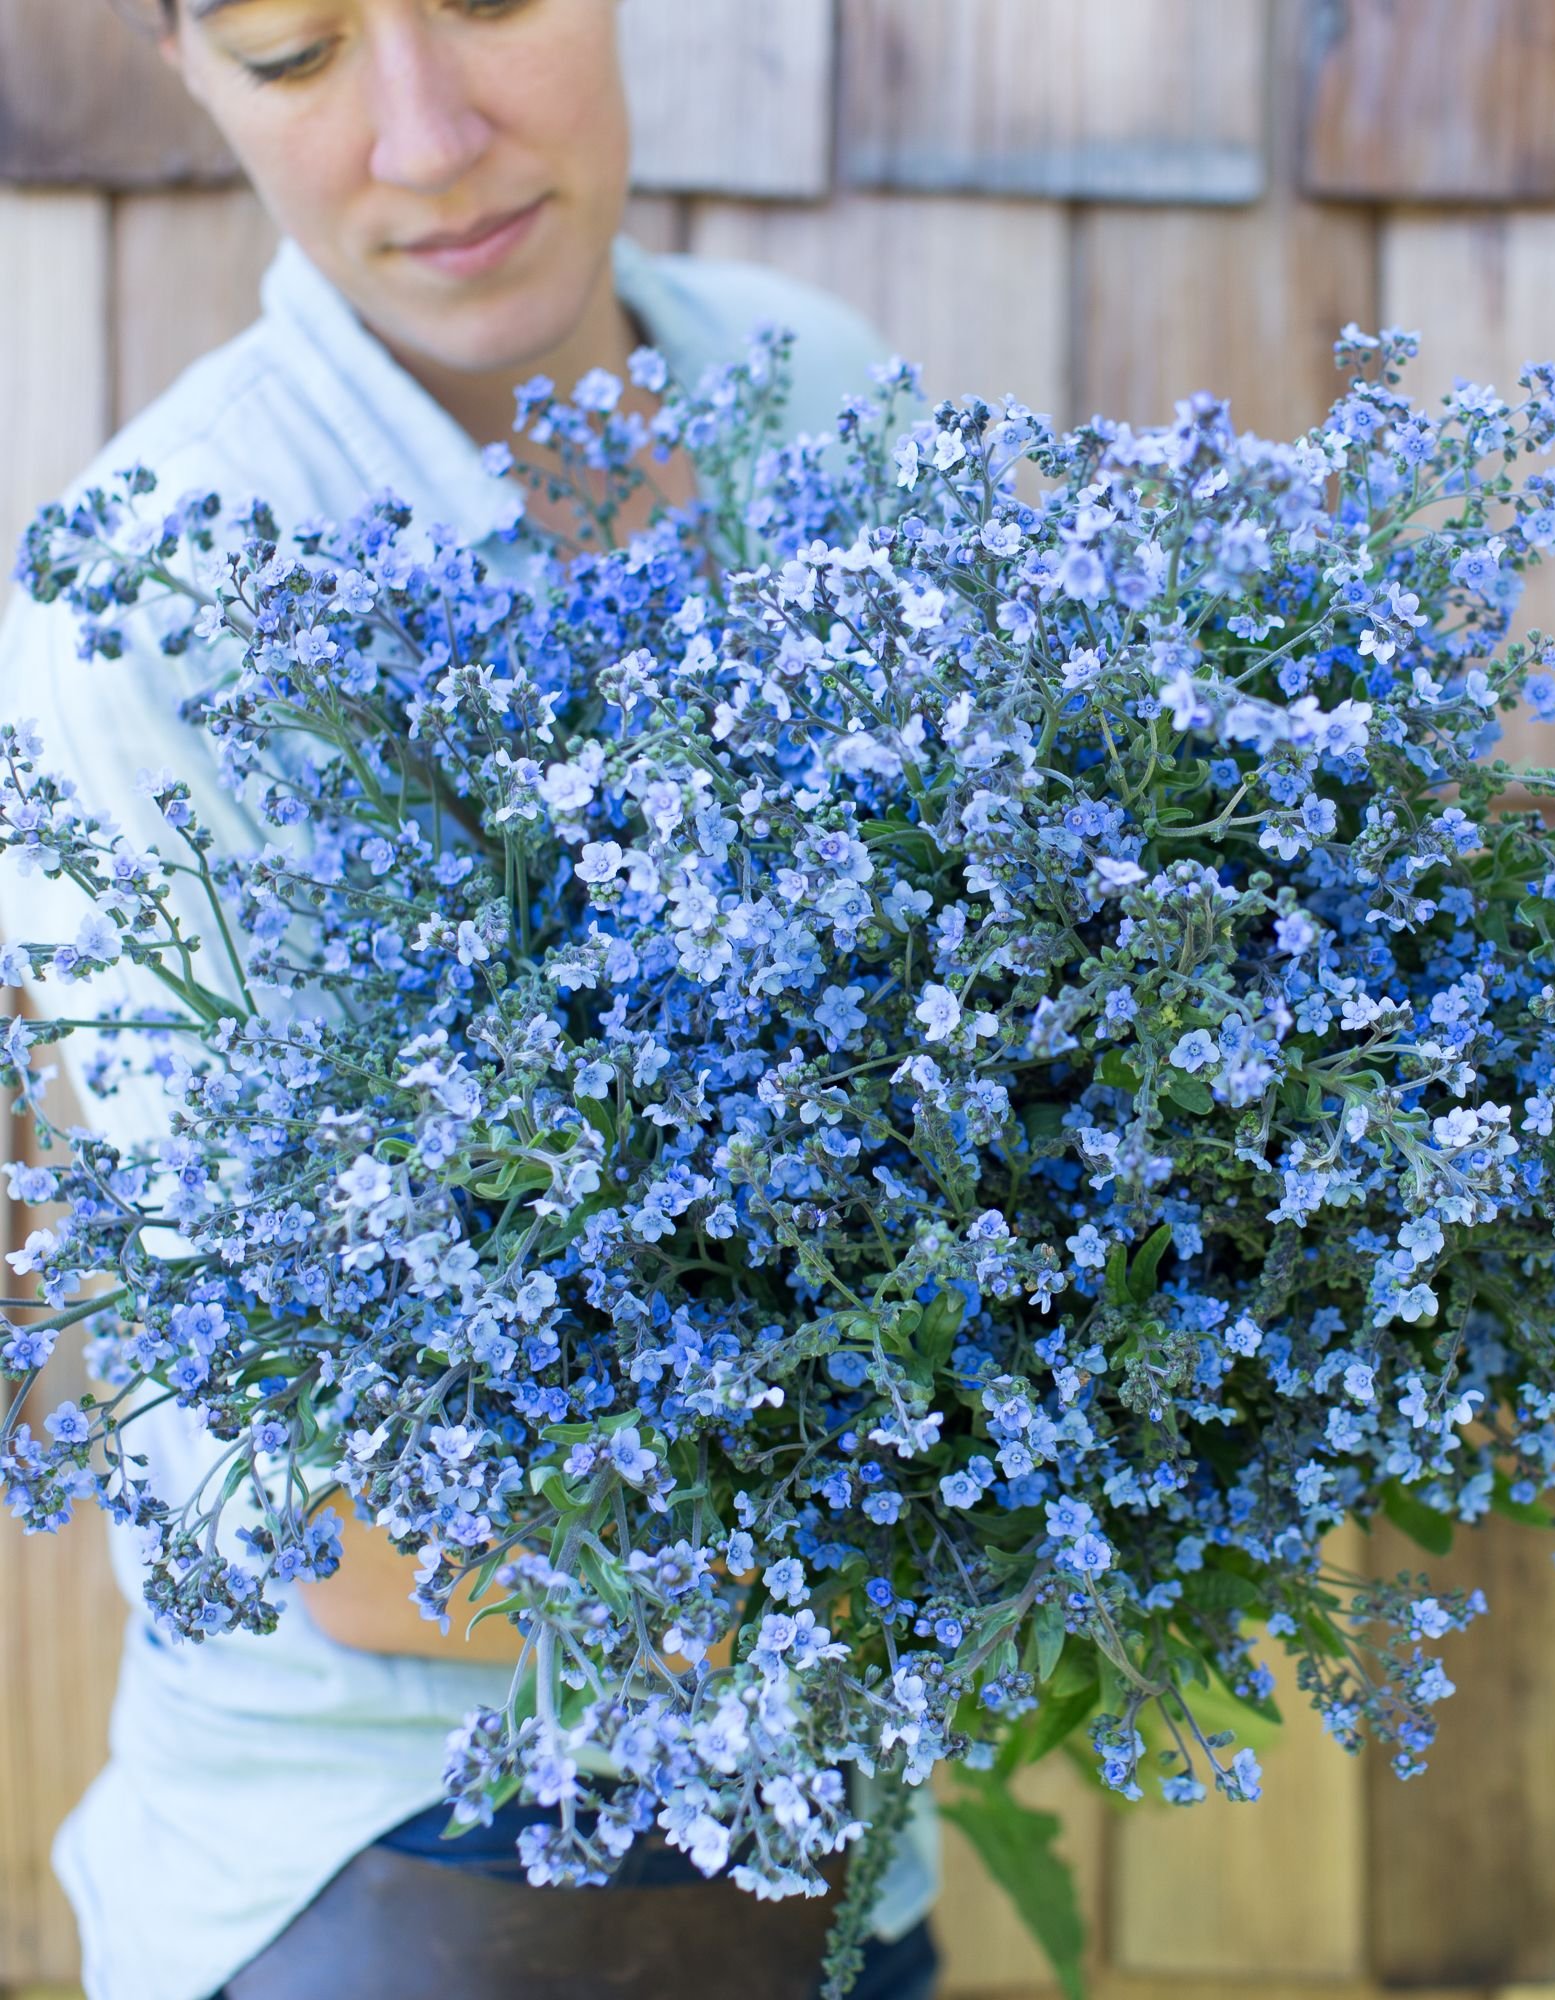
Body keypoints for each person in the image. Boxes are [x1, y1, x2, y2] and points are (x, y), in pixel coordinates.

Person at [0, 4, 941, 1995]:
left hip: (850, 1828)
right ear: (188, 73)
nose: (423, 137)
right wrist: (1000, 1514)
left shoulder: (826, 396)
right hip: (399, 1861)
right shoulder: (165, 596)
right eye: (291, 46)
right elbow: (338, 1527)